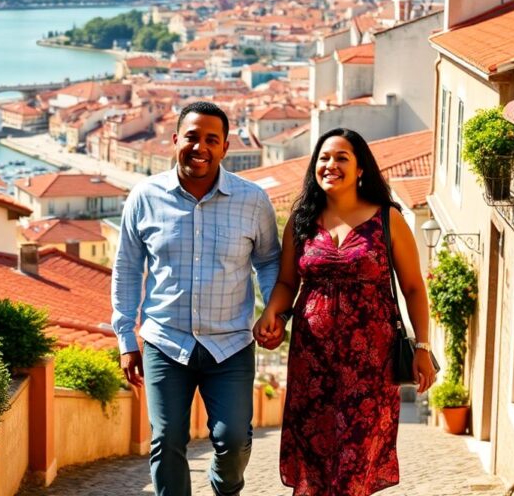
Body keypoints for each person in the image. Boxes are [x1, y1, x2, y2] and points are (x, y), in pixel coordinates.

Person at [254, 127, 437, 496]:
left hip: (370, 366)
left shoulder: (388, 220)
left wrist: (422, 347)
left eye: (341, 158)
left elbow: (414, 287)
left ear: (360, 170)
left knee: (354, 462)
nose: (330, 165)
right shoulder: (301, 222)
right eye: (324, 158)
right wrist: (271, 314)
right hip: (312, 363)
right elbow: (288, 283)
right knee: (316, 461)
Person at [112, 101, 281, 496]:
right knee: (167, 439)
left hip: (231, 343)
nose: (199, 147)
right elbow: (127, 270)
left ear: (225, 147)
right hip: (165, 341)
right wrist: (125, 338)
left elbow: (270, 262)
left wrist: (274, 312)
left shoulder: (253, 200)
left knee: (235, 439)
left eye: (211, 139)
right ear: (175, 141)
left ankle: (224, 490)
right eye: (191, 137)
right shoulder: (144, 197)